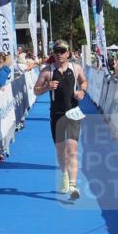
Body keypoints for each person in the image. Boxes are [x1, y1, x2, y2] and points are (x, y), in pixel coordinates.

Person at [33, 40, 87, 200]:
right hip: (56, 114)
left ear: (68, 53)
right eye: (56, 51)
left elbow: (84, 81)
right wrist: (46, 87)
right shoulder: (47, 71)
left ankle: (73, 185)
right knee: (61, 150)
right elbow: (36, 91)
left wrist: (82, 91)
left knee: (72, 150)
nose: (59, 54)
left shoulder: (76, 68)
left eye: (62, 51)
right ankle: (64, 174)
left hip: (74, 113)